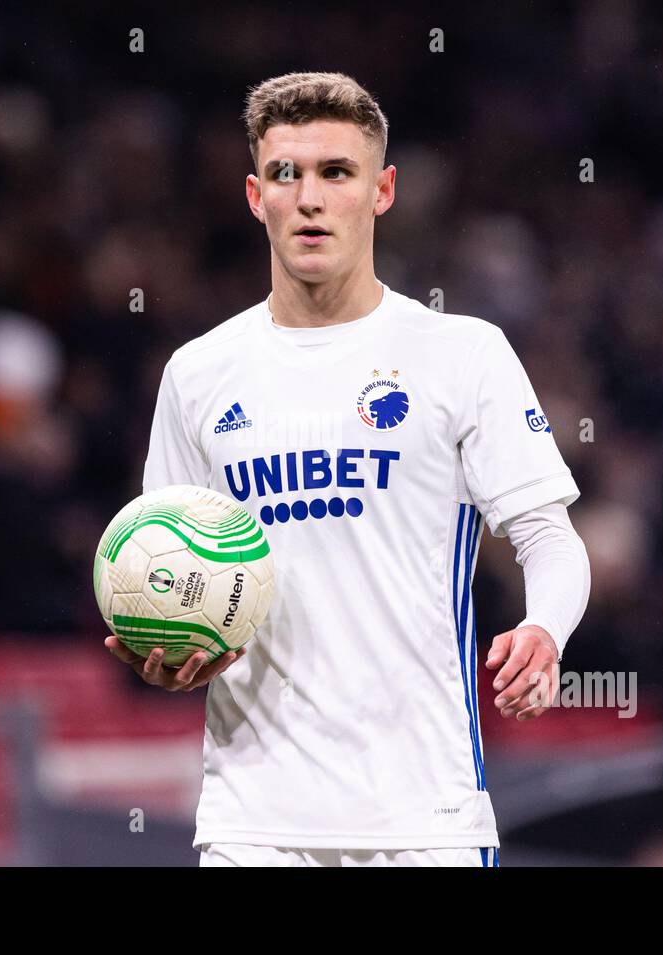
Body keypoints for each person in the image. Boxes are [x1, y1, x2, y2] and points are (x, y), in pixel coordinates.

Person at [106, 72, 591, 867]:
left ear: (382, 190)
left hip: (423, 817)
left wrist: (545, 630)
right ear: (256, 195)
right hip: (252, 821)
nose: (310, 198)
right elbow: (165, 564)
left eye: (336, 172)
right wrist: (163, 654)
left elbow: (549, 538)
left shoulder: (461, 354)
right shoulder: (197, 375)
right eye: (287, 175)